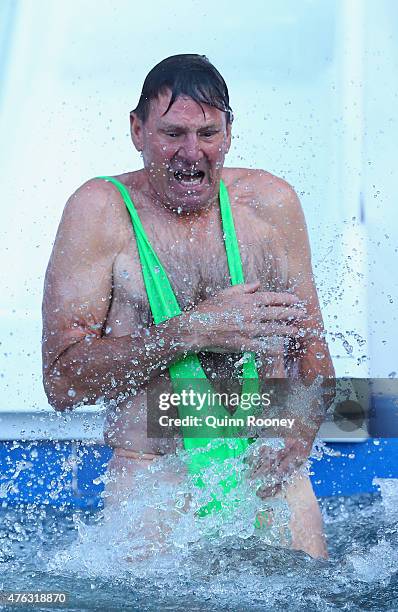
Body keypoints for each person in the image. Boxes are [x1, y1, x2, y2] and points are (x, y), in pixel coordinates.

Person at [42, 54, 335, 558]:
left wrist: (301, 429)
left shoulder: (270, 204)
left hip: (265, 477)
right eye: (172, 133)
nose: (191, 152)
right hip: (152, 483)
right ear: (137, 131)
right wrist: (190, 332)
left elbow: (314, 356)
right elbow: (62, 384)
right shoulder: (99, 213)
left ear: (229, 132)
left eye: (208, 133)